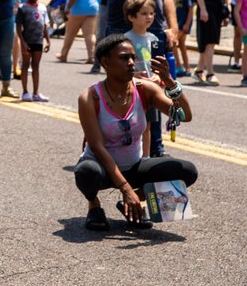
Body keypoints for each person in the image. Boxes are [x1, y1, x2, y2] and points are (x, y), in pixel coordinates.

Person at [74, 33, 197, 231]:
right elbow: (96, 146)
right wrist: (124, 187)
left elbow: (185, 115)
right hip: (103, 167)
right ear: (105, 62)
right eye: (124, 58)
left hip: (134, 166)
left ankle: (131, 203)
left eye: (133, 57)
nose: (131, 62)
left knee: (186, 171)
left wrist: (169, 80)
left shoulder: (144, 89)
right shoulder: (90, 97)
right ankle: (94, 205)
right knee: (85, 172)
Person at [103, 0, 177, 156]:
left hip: (153, 34)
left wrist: (173, 27)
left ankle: (155, 149)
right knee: (126, 91)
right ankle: (124, 150)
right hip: (123, 34)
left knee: (154, 88)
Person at [16, 0, 51, 101]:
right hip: (27, 41)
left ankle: (36, 93)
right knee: (25, 65)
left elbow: (44, 25)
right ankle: (25, 92)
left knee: (36, 66)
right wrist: (23, 42)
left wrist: (48, 40)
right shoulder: (23, 7)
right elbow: (18, 27)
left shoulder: (42, 7)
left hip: (38, 41)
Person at [173, 0, 194, 77]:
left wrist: (187, 23)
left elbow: (191, 10)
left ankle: (178, 66)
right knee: (181, 45)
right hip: (179, 22)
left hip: (183, 23)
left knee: (172, 43)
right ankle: (187, 68)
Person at [234, 0, 247, 86]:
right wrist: (240, 27)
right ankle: (245, 76)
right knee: (246, 51)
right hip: (245, 27)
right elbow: (236, 11)